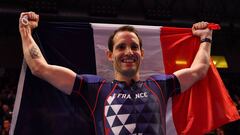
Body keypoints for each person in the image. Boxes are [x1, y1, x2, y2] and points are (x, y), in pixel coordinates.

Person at [19, 11, 212, 135]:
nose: (129, 52)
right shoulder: (94, 88)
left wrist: (205, 39)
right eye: (121, 47)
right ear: (110, 55)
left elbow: (199, 70)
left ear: (142, 54)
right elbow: (40, 68)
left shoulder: (160, 85)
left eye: (134, 46)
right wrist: (26, 31)